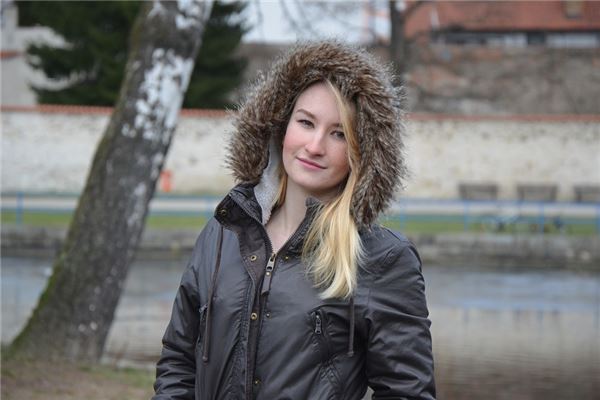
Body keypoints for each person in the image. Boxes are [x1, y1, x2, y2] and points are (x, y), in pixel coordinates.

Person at [152, 40, 436, 400]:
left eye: (339, 134)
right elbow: (178, 361)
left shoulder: (383, 259)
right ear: (280, 126)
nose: (315, 146)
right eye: (306, 122)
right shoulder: (223, 232)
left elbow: (407, 391)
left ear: (361, 151)